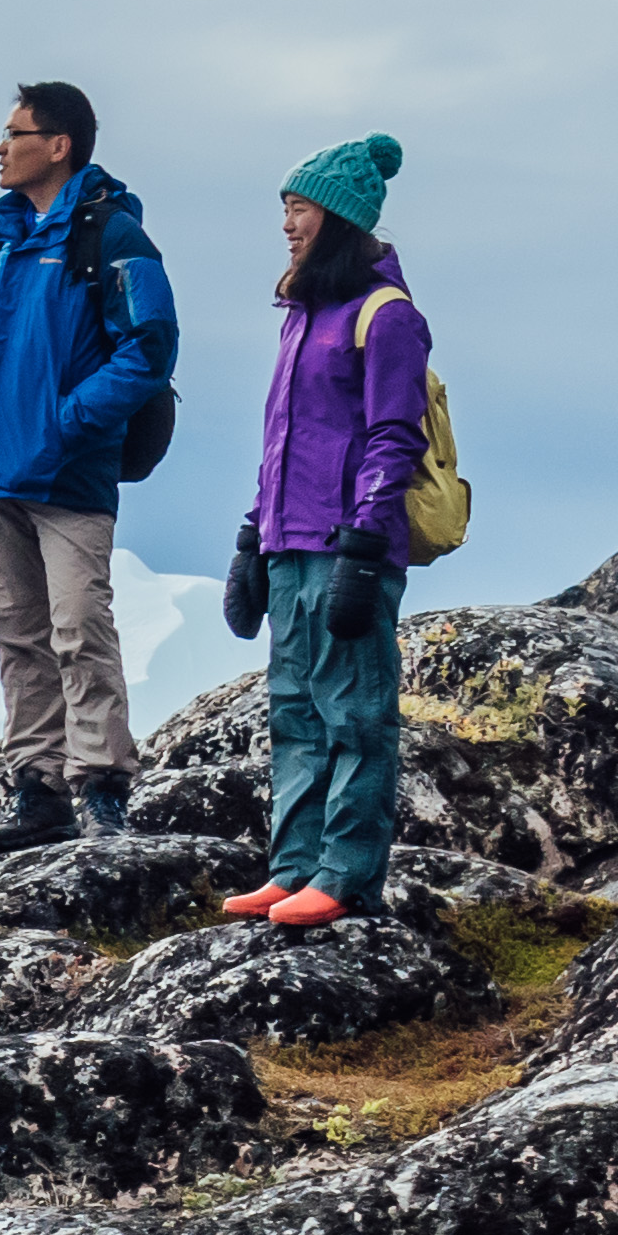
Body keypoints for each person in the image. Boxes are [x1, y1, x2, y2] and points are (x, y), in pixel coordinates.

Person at [0, 80, 179, 854]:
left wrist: (71, 420)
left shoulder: (111, 237)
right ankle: (36, 789)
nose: (0, 148)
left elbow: (150, 344)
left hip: (66, 470)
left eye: (14, 133)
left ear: (58, 145)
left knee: (78, 628)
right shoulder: (1, 245)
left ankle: (100, 786)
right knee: (18, 634)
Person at [231, 137, 434, 930]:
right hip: (288, 545)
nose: (286, 224)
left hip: (347, 549)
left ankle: (346, 876)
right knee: (294, 712)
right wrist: (251, 538)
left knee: (354, 715)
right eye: (284, 207)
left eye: (299, 209)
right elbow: (283, 441)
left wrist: (362, 546)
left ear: (339, 219)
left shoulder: (387, 318)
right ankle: (293, 868)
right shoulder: (302, 316)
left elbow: (393, 438)